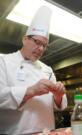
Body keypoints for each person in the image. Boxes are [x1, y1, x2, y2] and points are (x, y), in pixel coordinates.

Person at [0, 6, 67, 134]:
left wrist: (58, 95)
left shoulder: (47, 69)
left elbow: (58, 105)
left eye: (44, 45)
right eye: (37, 42)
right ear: (25, 39)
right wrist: (31, 91)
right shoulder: (3, 61)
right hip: (15, 132)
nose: (41, 49)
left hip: (47, 131)